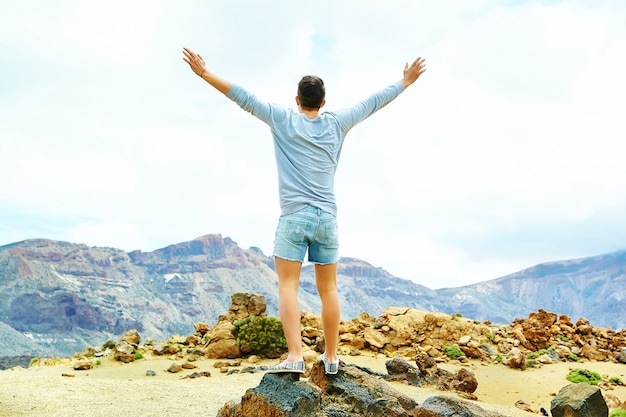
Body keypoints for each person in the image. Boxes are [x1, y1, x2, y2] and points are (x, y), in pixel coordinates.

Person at [182, 47, 426, 375]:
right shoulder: (338, 122)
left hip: (294, 217)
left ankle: (295, 355)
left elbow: (242, 96)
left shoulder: (282, 118)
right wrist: (405, 82)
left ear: (296, 100)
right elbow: (372, 102)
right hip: (327, 218)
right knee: (329, 289)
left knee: (287, 286)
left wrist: (203, 73)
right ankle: (332, 358)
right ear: (323, 102)